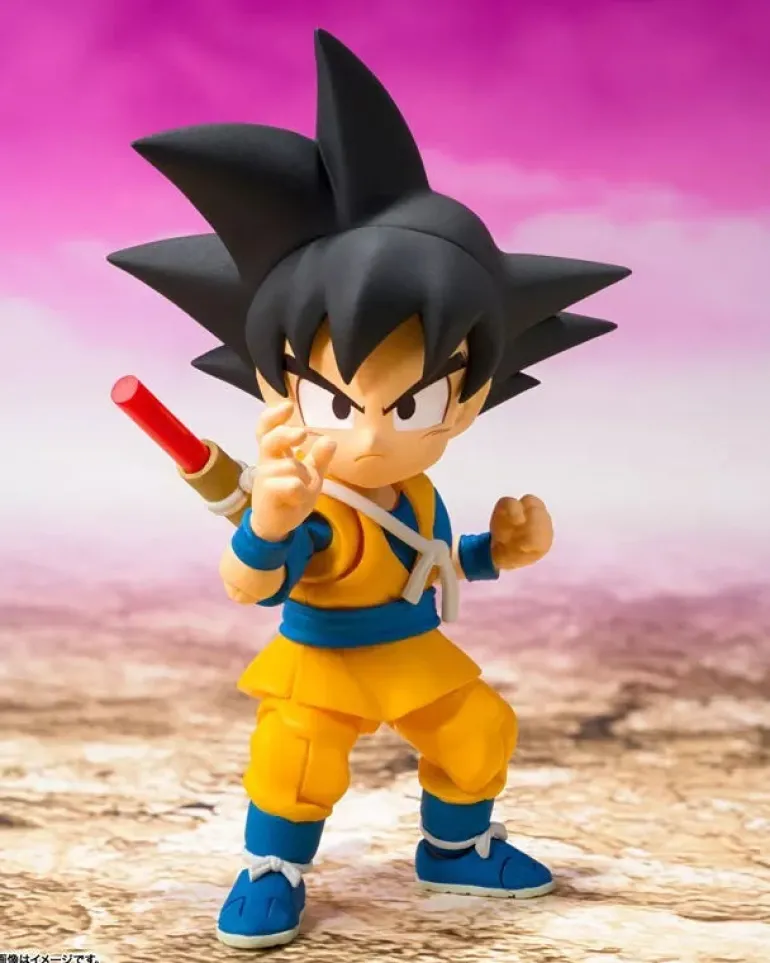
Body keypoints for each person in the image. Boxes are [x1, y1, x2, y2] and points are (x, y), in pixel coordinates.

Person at [109, 28, 630, 951]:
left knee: (478, 729)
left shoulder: (417, 490)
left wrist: (498, 552)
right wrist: (270, 520)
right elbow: (254, 582)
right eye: (335, 400)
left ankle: (456, 847)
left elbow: (429, 562)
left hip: (408, 647)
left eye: (414, 401)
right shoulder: (308, 495)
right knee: (296, 758)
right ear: (276, 385)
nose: (371, 433)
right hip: (324, 659)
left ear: (469, 399)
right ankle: (271, 868)